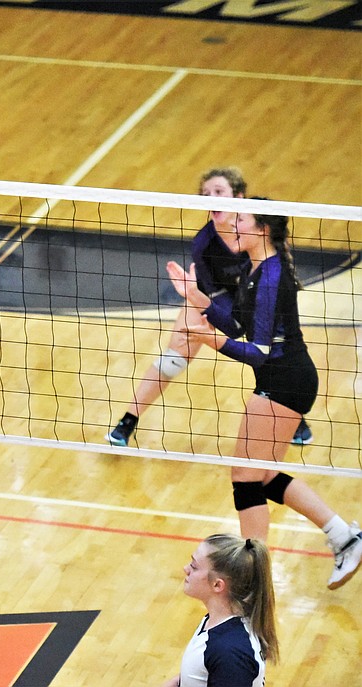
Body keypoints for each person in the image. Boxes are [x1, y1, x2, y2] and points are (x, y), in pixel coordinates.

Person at [169, 206, 361, 590]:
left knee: (244, 476)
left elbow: (259, 351)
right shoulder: (254, 270)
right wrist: (198, 298)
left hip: (284, 380)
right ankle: (344, 536)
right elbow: (240, 323)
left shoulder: (272, 278)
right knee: (264, 475)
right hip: (283, 378)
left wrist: (210, 341)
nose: (232, 226)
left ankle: (253, 578)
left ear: (264, 229)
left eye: (241, 221)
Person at [108, 168, 312, 447]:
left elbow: (271, 286)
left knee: (273, 343)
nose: (212, 199)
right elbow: (223, 306)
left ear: (239, 198)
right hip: (214, 296)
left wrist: (237, 322)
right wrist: (207, 307)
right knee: (175, 357)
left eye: (219, 192)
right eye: (206, 194)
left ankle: (288, 411)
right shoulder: (204, 244)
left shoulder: (259, 236)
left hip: (254, 295)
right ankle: (129, 419)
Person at [161, 533, 277, 687]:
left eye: (194, 566)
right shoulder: (214, 622)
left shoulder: (230, 652)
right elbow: (199, 674)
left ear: (217, 585)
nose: (185, 569)